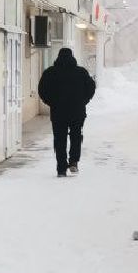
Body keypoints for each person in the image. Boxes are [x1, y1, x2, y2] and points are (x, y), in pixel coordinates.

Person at [38, 47, 96, 177]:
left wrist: (51, 102)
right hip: (77, 112)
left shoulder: (50, 73)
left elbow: (42, 90)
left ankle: (61, 168)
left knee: (59, 139)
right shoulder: (81, 72)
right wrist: (84, 101)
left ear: (58, 57)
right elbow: (91, 87)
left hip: (58, 113)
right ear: (72, 57)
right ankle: (74, 162)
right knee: (76, 136)